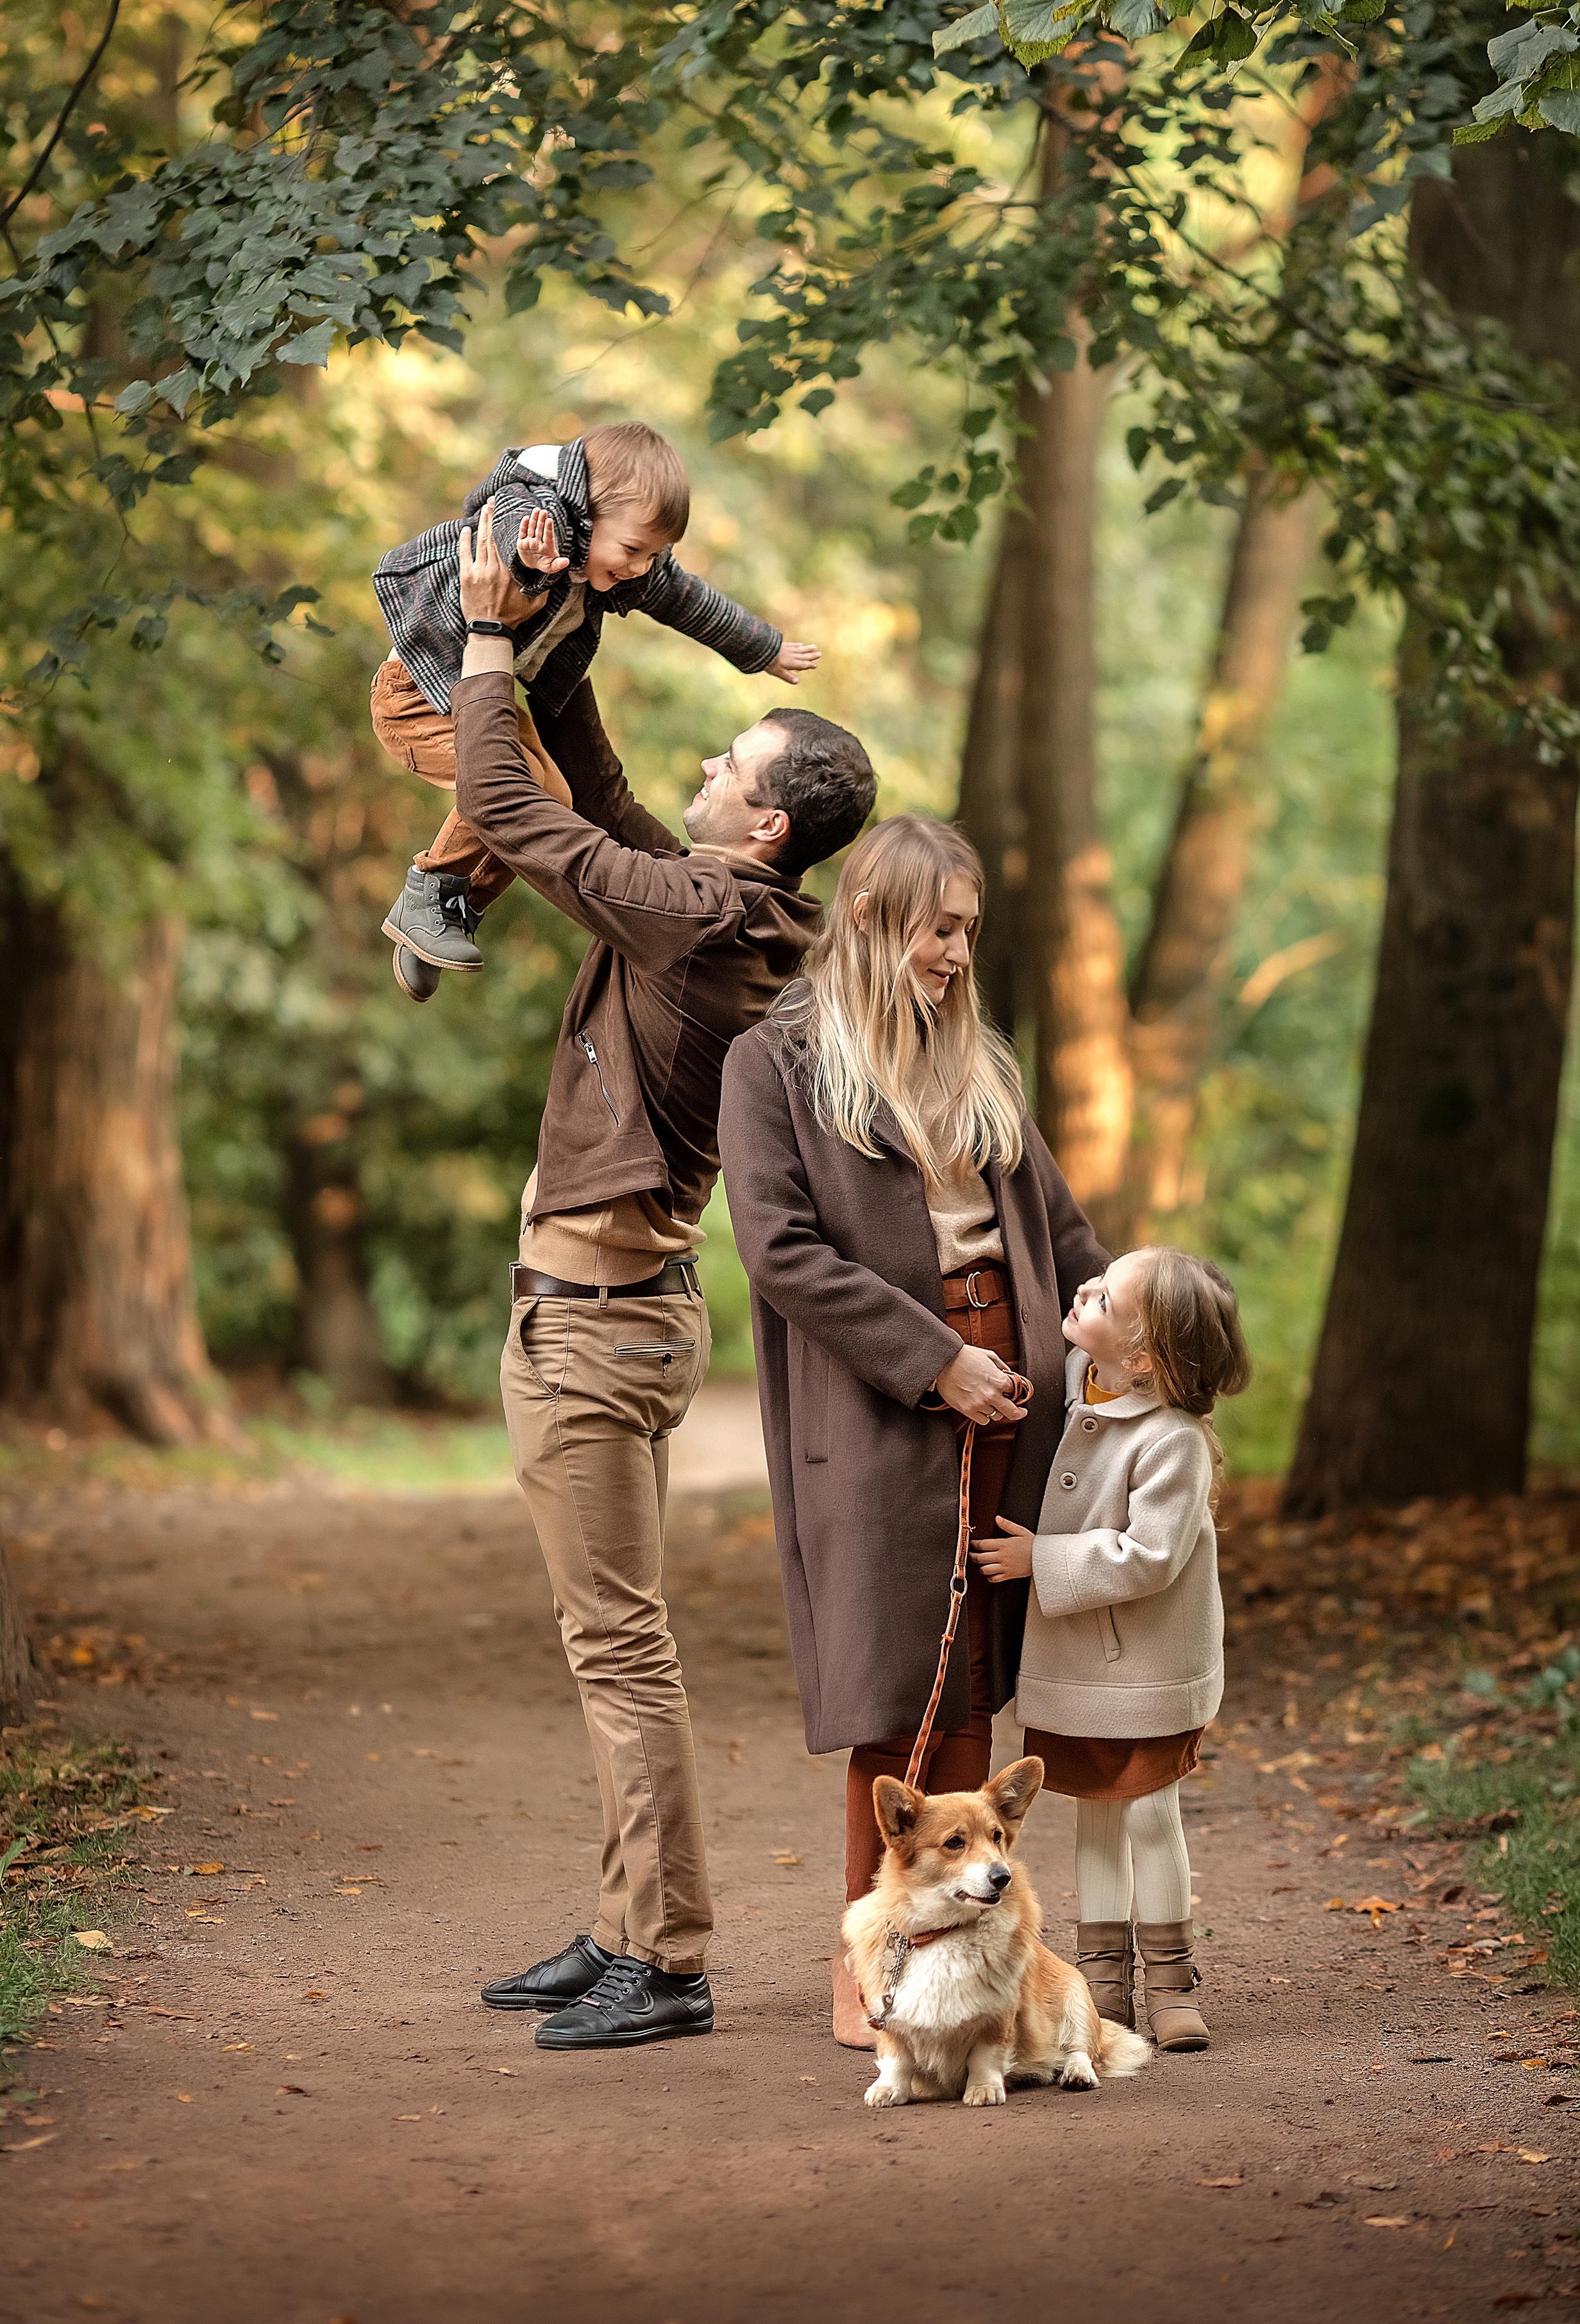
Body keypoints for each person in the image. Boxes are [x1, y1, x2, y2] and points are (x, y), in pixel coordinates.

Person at [451, 506, 877, 2050]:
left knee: (618, 1646)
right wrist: (579, 632)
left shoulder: (698, 922)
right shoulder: (730, 907)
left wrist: (491, 636)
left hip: (595, 1326)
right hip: (601, 1313)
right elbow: (605, 784)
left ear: (763, 827)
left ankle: (671, 1957)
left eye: (730, 772)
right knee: (612, 1640)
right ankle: (629, 1922)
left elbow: (509, 803)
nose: (700, 776)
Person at [716, 812, 1110, 2051]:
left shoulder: (976, 1061)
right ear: (875, 917)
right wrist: (937, 1363)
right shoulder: (773, 1062)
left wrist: (1134, 1342)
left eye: (969, 932)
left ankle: (971, 1970)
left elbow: (1064, 1230)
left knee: (973, 1694)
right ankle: (873, 1961)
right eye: (941, 929)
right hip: (884, 1400)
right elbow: (779, 1250)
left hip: (1016, 1392)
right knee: (895, 1691)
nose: (956, 953)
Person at [369, 422, 819, 1000]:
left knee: (555, 797)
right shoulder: (539, 514)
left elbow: (689, 600)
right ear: (589, 512)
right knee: (536, 795)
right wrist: (530, 563)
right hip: (416, 697)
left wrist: (764, 648)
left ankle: (441, 912)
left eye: (652, 554)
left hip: (485, 698)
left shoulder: (623, 560)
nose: (639, 566)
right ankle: (429, 897)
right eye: (633, 549)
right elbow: (502, 531)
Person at [971, 1246, 1250, 2050]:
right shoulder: (1070, 1382)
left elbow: (1150, 1556)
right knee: (1095, 1819)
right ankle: (1104, 1988)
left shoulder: (1174, 1442)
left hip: (1147, 1669)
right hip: (1077, 1668)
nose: (1082, 1291)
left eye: (1103, 1296)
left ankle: (1170, 1984)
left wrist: (1041, 1561)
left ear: (1141, 1356)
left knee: (1151, 1816)